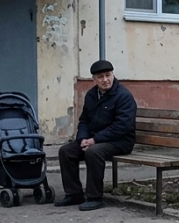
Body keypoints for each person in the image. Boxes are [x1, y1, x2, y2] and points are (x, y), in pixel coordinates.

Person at [55, 60, 137, 211]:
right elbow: (84, 120)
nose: (105, 80)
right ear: (94, 79)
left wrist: (94, 140)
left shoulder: (123, 96)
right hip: (95, 139)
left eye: (108, 75)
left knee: (94, 152)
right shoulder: (92, 95)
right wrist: (83, 139)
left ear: (113, 75)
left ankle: (94, 197)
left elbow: (122, 126)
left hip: (120, 141)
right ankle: (74, 194)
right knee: (66, 151)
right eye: (100, 77)